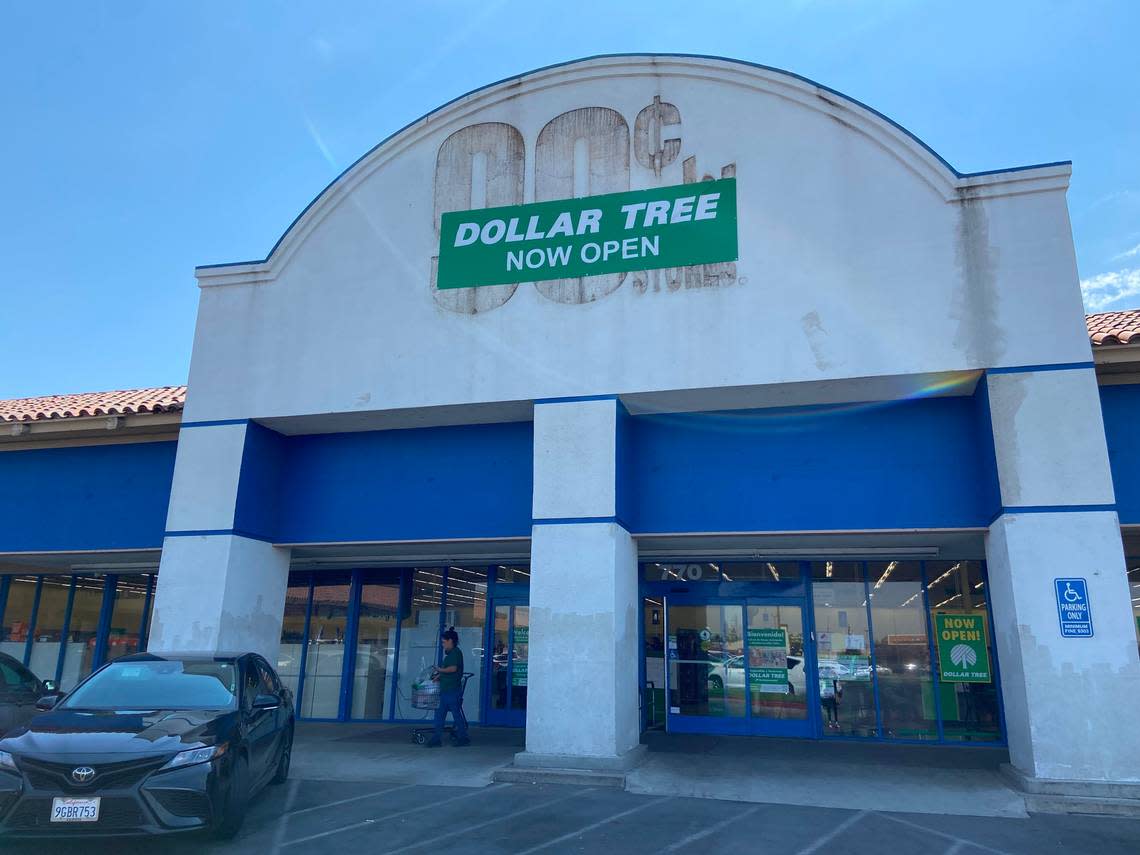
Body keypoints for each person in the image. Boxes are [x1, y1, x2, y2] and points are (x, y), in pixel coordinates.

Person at [427, 626, 470, 747]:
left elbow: (453, 668)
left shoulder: (456, 653)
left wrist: (440, 669)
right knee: (440, 715)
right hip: (445, 688)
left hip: (452, 689)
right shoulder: (450, 654)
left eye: (444, 642)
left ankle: (463, 737)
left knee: (455, 714)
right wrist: (438, 676)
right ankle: (436, 739)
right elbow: (448, 670)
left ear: (450, 641)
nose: (443, 645)